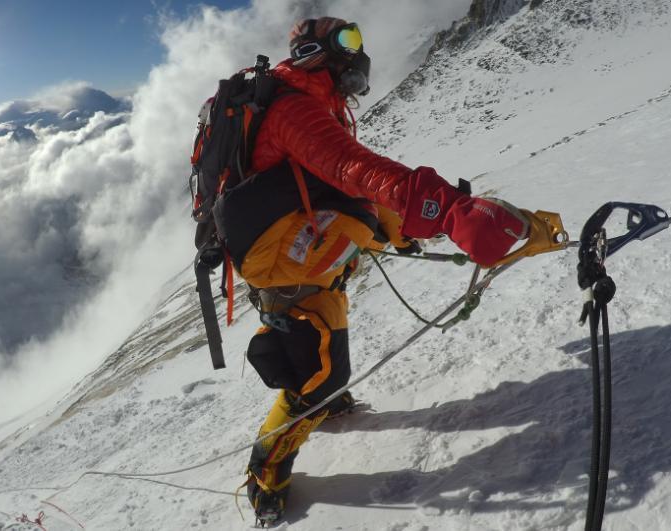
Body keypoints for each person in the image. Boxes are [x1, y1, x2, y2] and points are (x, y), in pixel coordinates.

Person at [221, 17, 531, 525]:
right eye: (346, 42)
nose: (357, 53)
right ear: (313, 52)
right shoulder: (294, 108)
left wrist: (406, 228)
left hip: (292, 246)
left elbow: (344, 184)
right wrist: (447, 212)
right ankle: (266, 474)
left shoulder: (312, 102)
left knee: (330, 302)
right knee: (319, 373)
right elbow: (355, 172)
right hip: (280, 262)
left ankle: (329, 398)